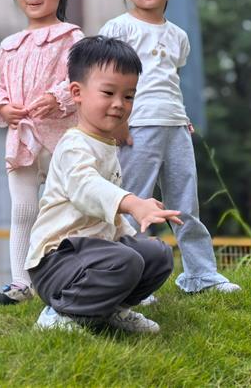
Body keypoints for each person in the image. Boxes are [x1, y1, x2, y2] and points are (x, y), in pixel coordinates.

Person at [99, 0, 240, 295]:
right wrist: (116, 122)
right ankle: (126, 281)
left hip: (175, 127)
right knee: (133, 204)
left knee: (185, 205)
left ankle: (200, 274)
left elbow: (168, 80)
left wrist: (181, 117)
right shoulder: (119, 29)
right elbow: (105, 80)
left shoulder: (179, 37)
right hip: (136, 128)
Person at [26, 35, 180, 333]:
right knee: (125, 261)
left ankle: (113, 309)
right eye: (108, 92)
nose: (119, 104)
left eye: (128, 96)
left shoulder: (107, 146)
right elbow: (88, 189)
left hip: (94, 254)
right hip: (57, 262)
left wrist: (134, 238)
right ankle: (60, 313)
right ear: (77, 92)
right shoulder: (73, 145)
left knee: (156, 255)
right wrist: (133, 203)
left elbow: (110, 220)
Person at [0, 0, 85, 305]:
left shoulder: (72, 37)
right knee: (23, 211)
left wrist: (57, 98)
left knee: (76, 208)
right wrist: (2, 107)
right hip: (21, 140)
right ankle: (20, 283)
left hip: (63, 140)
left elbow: (82, 81)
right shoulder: (8, 45)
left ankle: (90, 273)